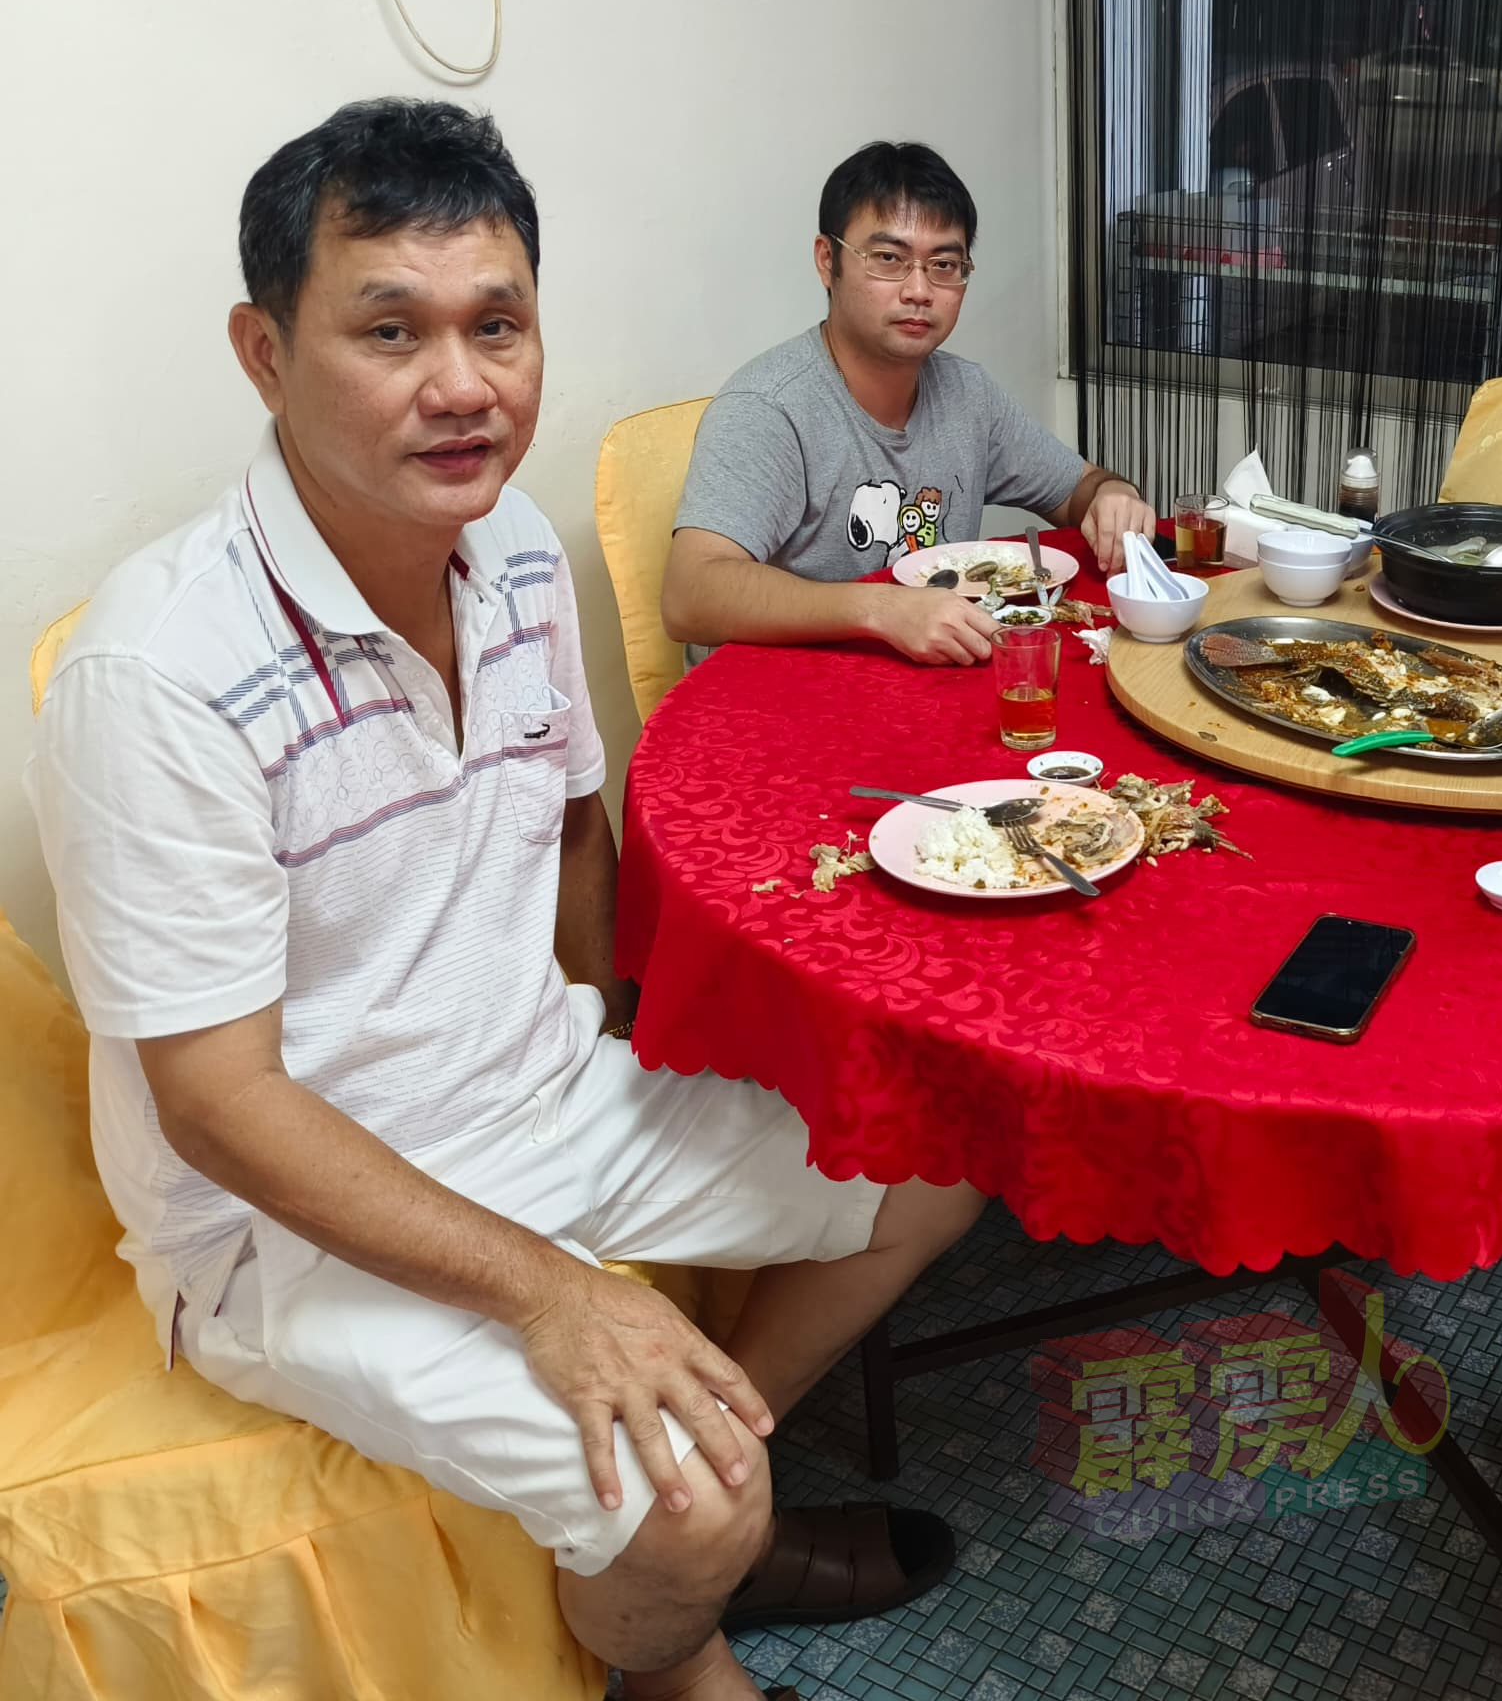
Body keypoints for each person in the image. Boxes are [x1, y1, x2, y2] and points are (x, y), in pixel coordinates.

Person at [29, 99, 985, 1701]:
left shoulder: (518, 553)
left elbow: (571, 826)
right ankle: (680, 1617)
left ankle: (694, 1536)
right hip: (289, 1227)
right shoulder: (158, 674)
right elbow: (215, 1104)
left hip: (540, 1091)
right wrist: (553, 1298)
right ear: (265, 352)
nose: (461, 386)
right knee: (687, 1499)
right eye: (388, 330)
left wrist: (609, 1025)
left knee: (941, 1155)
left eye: (498, 324)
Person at [663, 141, 1155, 666]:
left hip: (922, 687)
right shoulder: (769, 407)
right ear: (828, 262)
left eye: (944, 264)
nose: (919, 290)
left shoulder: (967, 394)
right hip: (780, 703)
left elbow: (1078, 487)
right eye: (889, 259)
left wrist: (1114, 495)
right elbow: (691, 595)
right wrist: (882, 609)